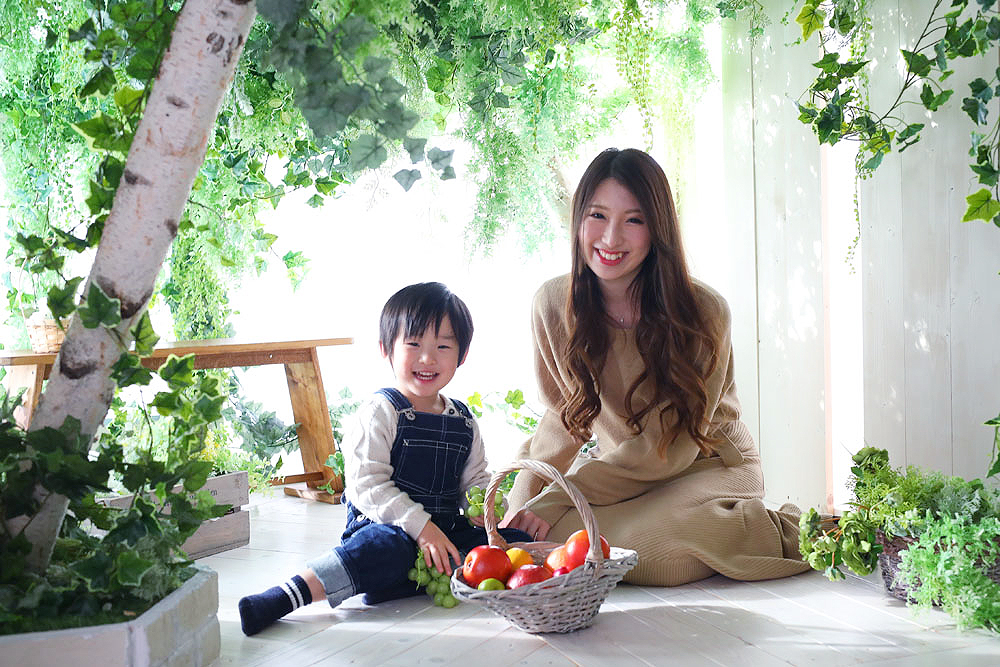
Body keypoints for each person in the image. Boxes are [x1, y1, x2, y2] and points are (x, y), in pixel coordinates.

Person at [500, 148, 811, 586]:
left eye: (634, 220)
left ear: (657, 230)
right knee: (556, 539)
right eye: (597, 215)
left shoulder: (704, 313)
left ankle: (783, 529)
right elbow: (562, 418)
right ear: (578, 220)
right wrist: (523, 507)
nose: (611, 238)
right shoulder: (553, 304)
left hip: (708, 463)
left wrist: (562, 496)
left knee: (656, 554)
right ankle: (670, 526)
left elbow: (670, 446)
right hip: (625, 472)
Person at [238, 282, 531, 635]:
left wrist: (484, 509)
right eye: (414, 344)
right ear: (386, 348)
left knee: (515, 542)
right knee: (385, 549)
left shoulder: (464, 421)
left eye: (442, 346)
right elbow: (366, 485)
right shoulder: (381, 411)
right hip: (386, 528)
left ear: (462, 355)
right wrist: (421, 528)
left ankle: (401, 582)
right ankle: (287, 596)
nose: (428, 358)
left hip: (443, 534)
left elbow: (476, 480)